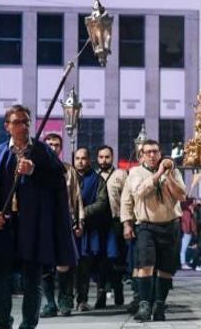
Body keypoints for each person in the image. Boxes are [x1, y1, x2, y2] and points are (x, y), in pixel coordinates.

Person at [0, 104, 78, 329]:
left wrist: (35, 171)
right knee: (0, 279)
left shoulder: (42, 152)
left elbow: (59, 183)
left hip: (33, 227)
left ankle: (28, 326)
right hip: (5, 226)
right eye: (18, 122)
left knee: (33, 280)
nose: (23, 126)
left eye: (26, 122)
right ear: (7, 127)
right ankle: (3, 324)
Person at [121, 139, 186, 322]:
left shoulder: (172, 171)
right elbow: (137, 193)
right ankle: (144, 304)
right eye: (148, 152)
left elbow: (182, 195)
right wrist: (127, 223)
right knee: (145, 266)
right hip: (146, 226)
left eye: (155, 151)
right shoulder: (135, 172)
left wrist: (169, 176)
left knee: (166, 268)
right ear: (141, 155)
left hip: (170, 224)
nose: (152, 155)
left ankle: (159, 304)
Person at [38, 133, 82, 317]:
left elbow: (76, 197)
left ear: (61, 148)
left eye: (56, 144)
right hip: (42, 222)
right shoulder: (37, 169)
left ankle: (65, 299)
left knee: (65, 263)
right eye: (49, 144)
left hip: (64, 221)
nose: (53, 147)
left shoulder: (68, 170)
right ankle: (50, 303)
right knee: (45, 264)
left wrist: (79, 220)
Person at [73, 147, 116, 312]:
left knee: (85, 266)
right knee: (68, 265)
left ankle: (82, 300)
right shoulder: (69, 177)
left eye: (83, 158)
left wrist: (82, 213)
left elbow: (101, 202)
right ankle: (67, 299)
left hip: (90, 230)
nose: (80, 162)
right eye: (77, 158)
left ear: (89, 160)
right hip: (69, 228)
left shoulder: (98, 180)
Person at [96, 144, 128, 307]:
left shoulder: (121, 175)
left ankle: (118, 290)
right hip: (99, 224)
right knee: (101, 260)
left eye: (107, 157)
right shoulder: (94, 175)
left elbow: (127, 198)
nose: (104, 160)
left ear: (112, 157)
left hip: (116, 222)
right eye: (101, 157)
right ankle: (101, 294)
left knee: (117, 260)